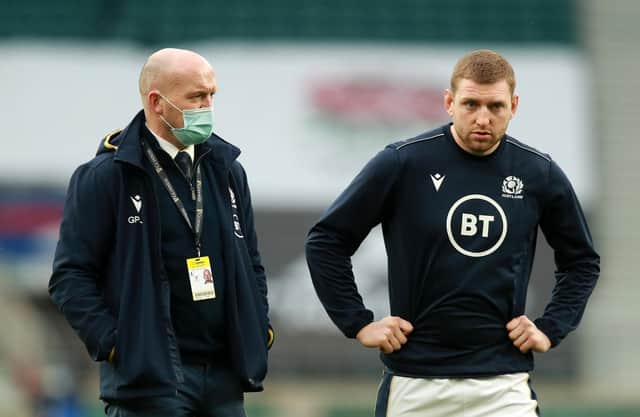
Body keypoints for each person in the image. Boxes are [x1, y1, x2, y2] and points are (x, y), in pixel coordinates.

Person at [305, 49, 599, 417]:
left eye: (495, 106)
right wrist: (358, 322)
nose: (482, 118)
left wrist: (551, 327)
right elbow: (326, 242)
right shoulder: (402, 162)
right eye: (470, 103)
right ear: (448, 101)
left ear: (514, 105)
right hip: (416, 385)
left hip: (503, 386)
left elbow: (581, 262)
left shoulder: (538, 173)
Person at [49, 48, 274, 417]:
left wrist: (259, 329)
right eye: (196, 96)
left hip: (225, 378)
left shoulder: (227, 169)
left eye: (212, 95)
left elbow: (251, 262)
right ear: (157, 102)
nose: (208, 106)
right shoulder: (107, 175)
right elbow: (70, 276)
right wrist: (117, 346)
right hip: (150, 384)